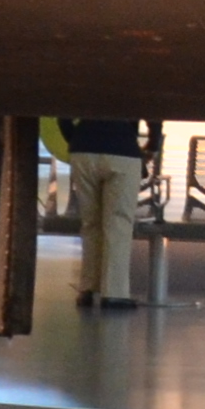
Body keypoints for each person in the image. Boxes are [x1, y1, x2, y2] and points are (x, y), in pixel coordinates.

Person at [54, 114, 148, 309]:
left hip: (83, 150)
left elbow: (62, 114)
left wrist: (79, 138)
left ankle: (88, 288)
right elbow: (153, 115)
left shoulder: (84, 82)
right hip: (122, 150)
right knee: (118, 223)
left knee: (90, 223)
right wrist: (153, 144)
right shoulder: (136, 83)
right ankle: (114, 293)